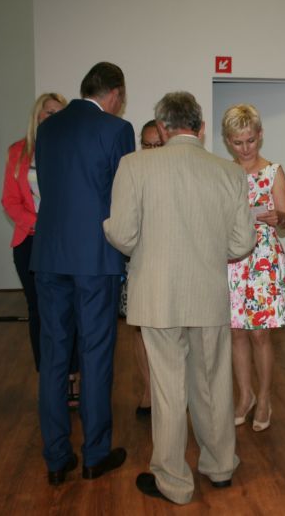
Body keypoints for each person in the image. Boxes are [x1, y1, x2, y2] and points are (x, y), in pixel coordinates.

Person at [104, 91, 256, 505]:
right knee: (212, 383)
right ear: (201, 127)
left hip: (157, 295)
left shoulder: (135, 166)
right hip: (208, 292)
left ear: (162, 127)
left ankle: (173, 481)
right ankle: (220, 466)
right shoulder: (228, 172)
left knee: (169, 388)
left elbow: (123, 234)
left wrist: (118, 233)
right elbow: (242, 242)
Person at [31, 62, 135, 486]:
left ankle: (56, 459)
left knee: (54, 356)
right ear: (115, 94)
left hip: (49, 255)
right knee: (95, 354)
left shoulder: (48, 129)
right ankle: (95, 454)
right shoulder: (116, 129)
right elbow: (123, 196)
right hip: (95, 257)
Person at [1, 92, 82, 409]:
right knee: (38, 310)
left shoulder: (74, 150)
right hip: (31, 240)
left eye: (60, 112)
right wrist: (39, 223)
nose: (53, 117)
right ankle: (50, 377)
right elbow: (10, 201)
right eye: (48, 112)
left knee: (70, 309)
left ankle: (73, 374)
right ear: (37, 117)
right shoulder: (18, 152)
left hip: (66, 240)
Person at [221, 104, 285, 432]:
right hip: (232, 259)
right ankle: (245, 395)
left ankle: (264, 398)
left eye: (250, 140)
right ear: (228, 141)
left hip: (263, 258)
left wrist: (279, 217)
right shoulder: (224, 172)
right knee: (236, 332)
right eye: (238, 142)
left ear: (260, 135)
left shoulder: (273, 171)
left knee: (260, 333)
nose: (245, 148)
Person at [131, 119, 164, 417]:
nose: (152, 150)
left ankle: (175, 390)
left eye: (158, 145)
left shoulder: (179, 171)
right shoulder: (131, 171)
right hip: (139, 260)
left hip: (171, 262)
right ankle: (149, 389)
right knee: (141, 328)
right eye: (147, 145)